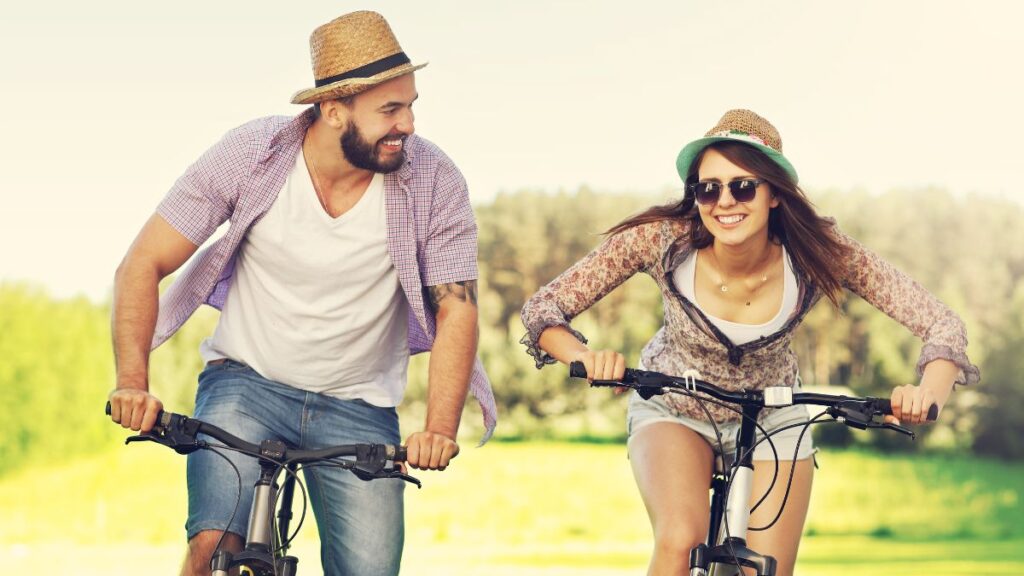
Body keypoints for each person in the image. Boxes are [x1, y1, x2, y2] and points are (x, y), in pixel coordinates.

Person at [107, 11, 496, 576]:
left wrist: (438, 428)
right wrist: (132, 384)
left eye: (411, 105)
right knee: (213, 551)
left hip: (359, 408)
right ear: (333, 108)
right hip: (246, 387)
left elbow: (456, 305)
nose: (408, 124)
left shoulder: (434, 180)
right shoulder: (252, 155)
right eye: (390, 109)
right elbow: (142, 262)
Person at [521, 109, 979, 575]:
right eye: (709, 188)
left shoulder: (817, 251)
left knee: (763, 568)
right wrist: (583, 356)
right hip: (675, 406)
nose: (725, 201)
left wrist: (926, 394)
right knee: (681, 541)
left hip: (775, 416)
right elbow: (543, 308)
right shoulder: (662, 240)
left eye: (743, 186)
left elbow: (942, 323)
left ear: (774, 193)